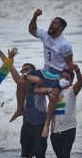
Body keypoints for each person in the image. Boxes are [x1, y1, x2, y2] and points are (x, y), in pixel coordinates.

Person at [0, 41, 51, 158]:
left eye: (26, 70)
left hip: (41, 125)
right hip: (27, 125)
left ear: (33, 72)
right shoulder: (21, 84)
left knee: (40, 155)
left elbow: (39, 80)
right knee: (26, 157)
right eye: (22, 70)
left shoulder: (40, 83)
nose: (23, 72)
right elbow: (10, 67)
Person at [16, 8, 74, 138]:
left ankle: (47, 124)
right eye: (51, 22)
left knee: (53, 95)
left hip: (56, 76)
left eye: (54, 23)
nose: (51, 24)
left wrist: (68, 81)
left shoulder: (65, 45)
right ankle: (20, 109)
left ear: (61, 28)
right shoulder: (45, 35)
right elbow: (31, 30)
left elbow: (69, 65)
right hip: (44, 71)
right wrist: (35, 16)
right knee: (21, 82)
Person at [34, 64, 82, 158]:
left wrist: (78, 71)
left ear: (71, 82)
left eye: (67, 78)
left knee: (65, 156)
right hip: (55, 132)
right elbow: (37, 89)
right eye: (62, 77)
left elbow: (80, 82)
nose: (63, 79)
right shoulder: (54, 90)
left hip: (68, 130)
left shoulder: (71, 91)